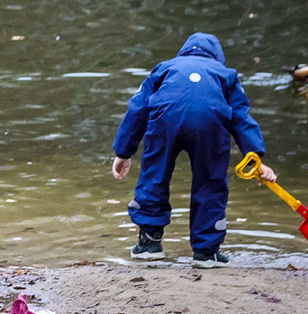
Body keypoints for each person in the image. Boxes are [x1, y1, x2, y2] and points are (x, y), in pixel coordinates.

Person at [111, 32, 276, 268]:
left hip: (165, 118)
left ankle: (149, 243)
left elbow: (137, 109)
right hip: (210, 122)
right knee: (210, 180)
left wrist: (123, 152)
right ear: (217, 56)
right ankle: (206, 252)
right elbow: (241, 117)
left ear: (183, 52)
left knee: (155, 174)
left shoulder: (164, 68)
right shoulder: (226, 74)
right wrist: (256, 158)